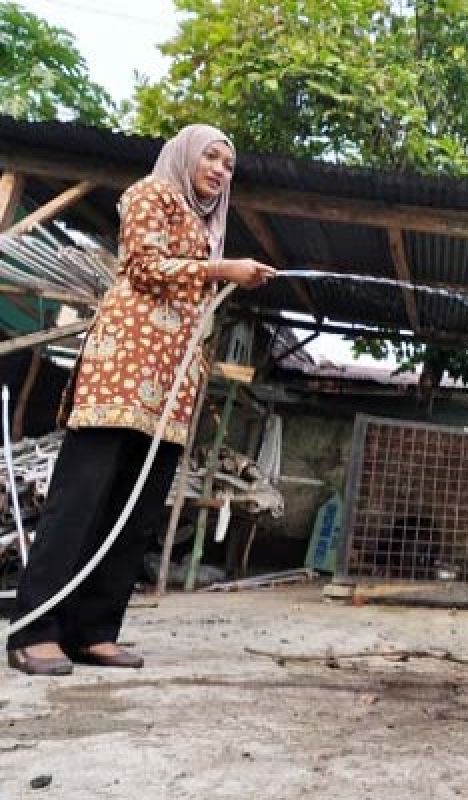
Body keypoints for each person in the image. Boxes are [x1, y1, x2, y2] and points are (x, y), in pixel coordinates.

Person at [6, 124, 276, 675]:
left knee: (134, 515)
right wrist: (226, 270)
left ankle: (94, 631)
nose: (221, 170)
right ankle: (35, 629)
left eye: (229, 164)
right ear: (185, 156)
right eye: (212, 157)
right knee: (80, 503)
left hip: (170, 392)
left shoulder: (207, 228)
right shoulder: (150, 194)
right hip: (122, 376)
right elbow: (144, 266)